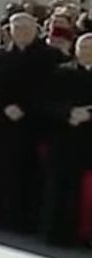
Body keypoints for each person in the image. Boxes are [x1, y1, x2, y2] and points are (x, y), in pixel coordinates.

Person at [0, 13, 61, 232]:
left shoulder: (50, 56)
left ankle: (24, 220)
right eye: (17, 28)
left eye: (26, 28)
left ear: (35, 30)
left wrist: (25, 108)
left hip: (34, 123)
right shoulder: (2, 54)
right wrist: (4, 106)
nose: (21, 32)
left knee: (29, 172)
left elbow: (50, 88)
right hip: (4, 121)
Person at [43, 33, 92, 246]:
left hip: (89, 139)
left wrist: (88, 114)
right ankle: (57, 233)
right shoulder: (61, 72)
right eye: (83, 47)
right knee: (60, 187)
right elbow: (46, 102)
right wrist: (68, 113)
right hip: (65, 137)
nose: (87, 52)